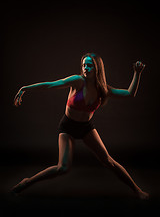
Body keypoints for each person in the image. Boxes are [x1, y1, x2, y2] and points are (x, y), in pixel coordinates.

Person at [12, 53, 149, 199]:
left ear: (97, 68)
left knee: (108, 161)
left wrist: (137, 73)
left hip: (86, 128)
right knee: (62, 168)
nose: (85, 68)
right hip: (68, 127)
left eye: (89, 65)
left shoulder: (103, 89)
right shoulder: (77, 81)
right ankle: (26, 183)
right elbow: (51, 84)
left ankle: (137, 190)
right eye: (84, 65)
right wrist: (25, 88)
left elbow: (129, 93)